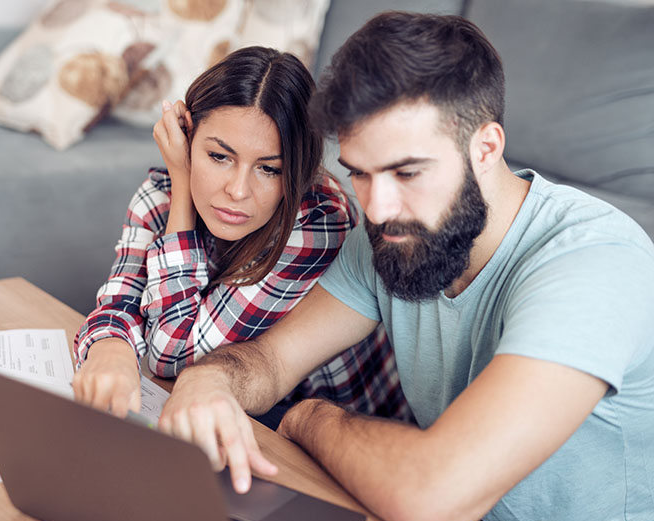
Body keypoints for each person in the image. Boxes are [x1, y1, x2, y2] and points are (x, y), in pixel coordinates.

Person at [156, 12, 654, 521]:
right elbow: (273, 362)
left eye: (407, 172)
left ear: (485, 148)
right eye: (361, 174)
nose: (377, 207)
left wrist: (308, 417)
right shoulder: (392, 237)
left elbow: (433, 497)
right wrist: (209, 381)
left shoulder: (594, 264)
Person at [72, 46, 408, 429]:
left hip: (329, 428)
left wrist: (184, 187)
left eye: (268, 169)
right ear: (186, 138)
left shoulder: (318, 224)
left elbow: (175, 357)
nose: (237, 190)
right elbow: (119, 299)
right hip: (240, 411)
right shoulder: (158, 194)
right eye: (219, 157)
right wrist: (109, 348)